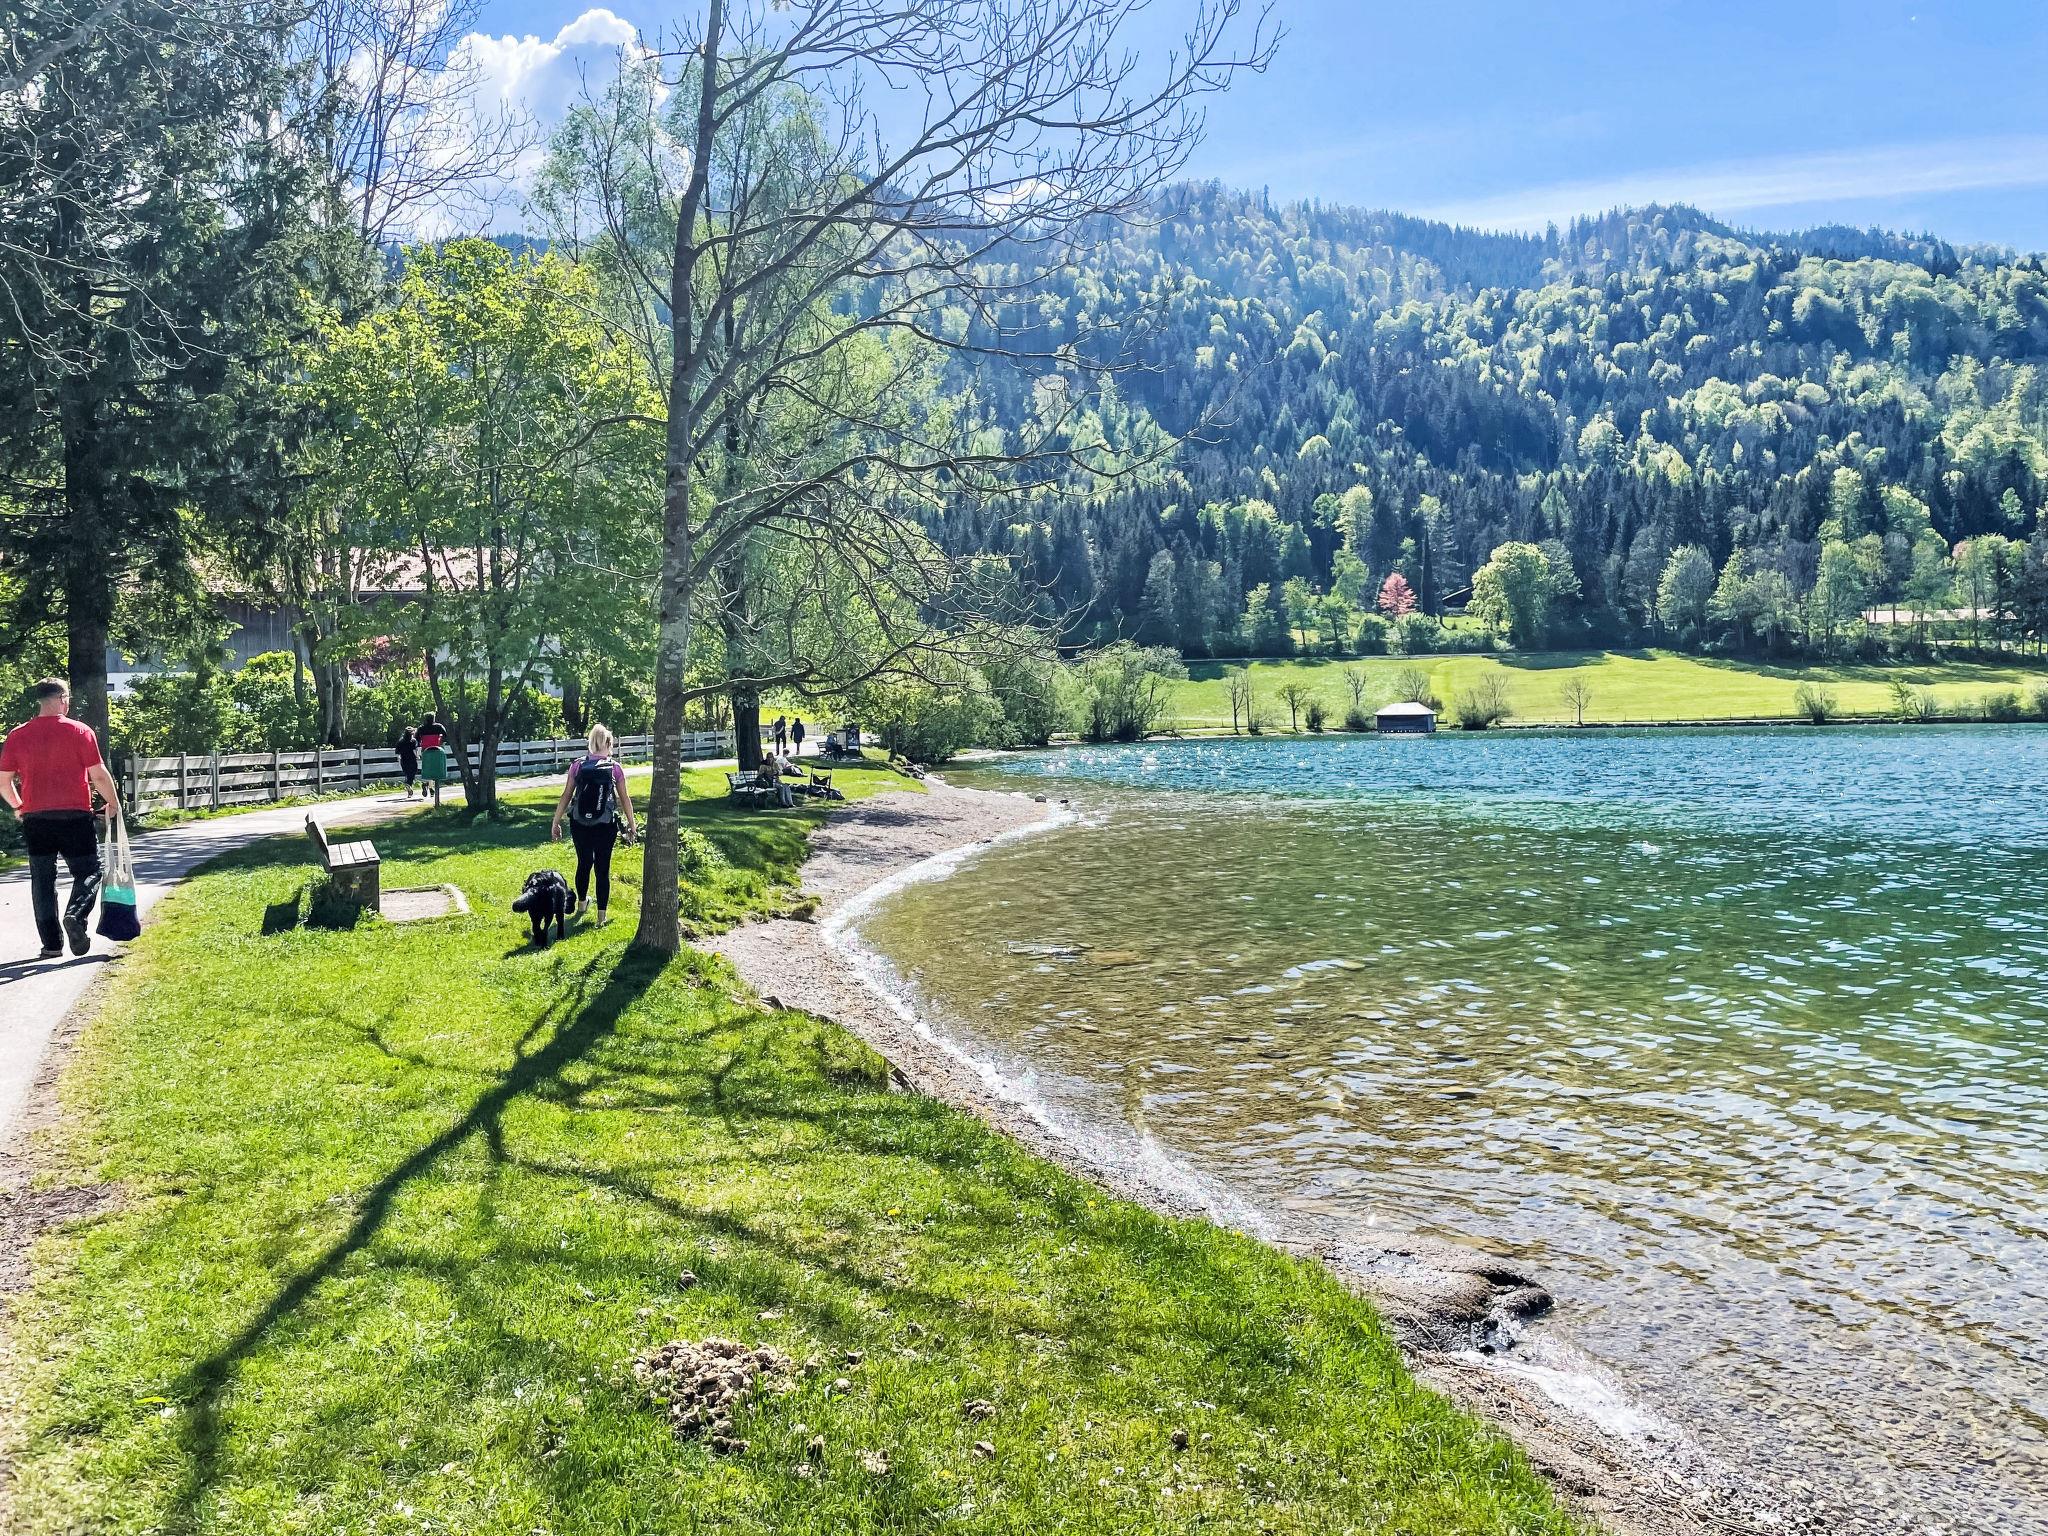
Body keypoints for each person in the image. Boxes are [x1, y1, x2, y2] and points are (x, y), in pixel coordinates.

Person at [0, 679, 122, 959]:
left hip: (36, 818)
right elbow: (98, 775)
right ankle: (75, 916)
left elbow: (3, 782)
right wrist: (113, 803)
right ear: (62, 699)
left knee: (42, 880)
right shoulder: (80, 731)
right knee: (89, 871)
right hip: (74, 816)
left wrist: (19, 807)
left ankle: (52, 944)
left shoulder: (17, 735)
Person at [551, 723, 637, 925]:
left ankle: (582, 904)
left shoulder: (577, 765)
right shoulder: (615, 768)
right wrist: (631, 824)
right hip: (605, 824)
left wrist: (556, 821)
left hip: (579, 823)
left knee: (584, 863)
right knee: (602, 869)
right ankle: (601, 917)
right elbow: (624, 799)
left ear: (590, 743)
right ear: (609, 743)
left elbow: (566, 795)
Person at [416, 715, 448, 807]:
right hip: (437, 748)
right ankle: (430, 786)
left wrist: (421, 742)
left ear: (426, 719)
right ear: (433, 719)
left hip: (426, 750)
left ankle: (427, 784)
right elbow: (445, 735)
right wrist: (440, 741)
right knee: (435, 768)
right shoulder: (438, 726)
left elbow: (417, 738)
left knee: (427, 767)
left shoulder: (421, 728)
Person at [395, 726, 420, 799]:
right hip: (412, 759)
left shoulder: (400, 741)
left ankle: (409, 788)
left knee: (407, 773)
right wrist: (417, 756)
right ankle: (408, 784)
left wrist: (399, 758)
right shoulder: (413, 741)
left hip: (403, 760)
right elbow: (414, 750)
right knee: (413, 772)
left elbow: (397, 752)